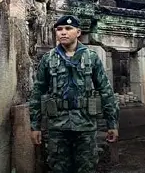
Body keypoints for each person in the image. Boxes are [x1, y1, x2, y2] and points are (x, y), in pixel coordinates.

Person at [29, 14, 119, 173]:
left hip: (85, 126)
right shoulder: (48, 59)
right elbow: (37, 92)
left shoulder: (91, 58)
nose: (63, 32)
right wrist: (35, 126)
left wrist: (112, 124)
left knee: (87, 168)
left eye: (68, 28)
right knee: (58, 168)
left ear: (78, 32)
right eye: (59, 29)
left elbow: (105, 90)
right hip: (57, 127)